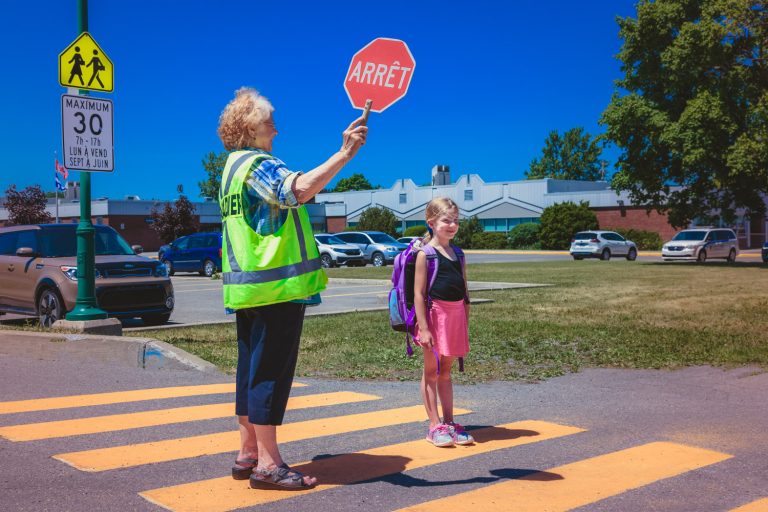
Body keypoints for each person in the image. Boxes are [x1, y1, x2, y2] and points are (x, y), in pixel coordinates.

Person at [217, 87, 367, 489]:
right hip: (276, 288)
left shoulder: (230, 168)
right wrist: (344, 154)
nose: (276, 130)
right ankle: (268, 464)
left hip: (249, 288)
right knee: (270, 372)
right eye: (270, 122)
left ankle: (247, 452)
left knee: (250, 370)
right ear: (250, 127)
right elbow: (297, 191)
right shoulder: (258, 164)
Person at [412, 197, 475, 447]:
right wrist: (424, 329)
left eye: (456, 221)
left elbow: (465, 291)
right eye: (446, 220)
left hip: (455, 317)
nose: (452, 225)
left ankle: (449, 422)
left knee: (446, 372)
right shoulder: (425, 255)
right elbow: (418, 294)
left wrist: (465, 323)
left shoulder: (458, 254)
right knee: (431, 372)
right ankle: (433, 425)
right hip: (434, 317)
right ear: (431, 223)